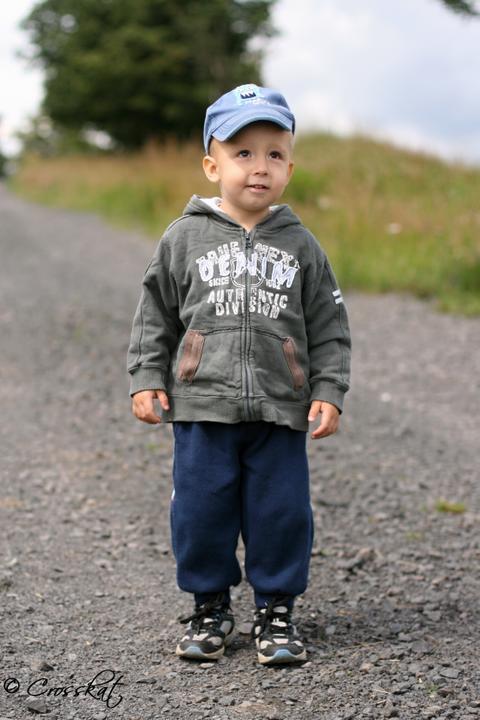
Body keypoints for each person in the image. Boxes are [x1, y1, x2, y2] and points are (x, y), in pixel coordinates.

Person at [127, 83, 351, 665]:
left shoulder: (301, 245)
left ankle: (276, 611)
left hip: (280, 409)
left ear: (290, 168)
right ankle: (210, 608)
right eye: (243, 152)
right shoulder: (184, 237)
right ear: (212, 164)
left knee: (282, 514)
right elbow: (156, 313)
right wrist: (147, 375)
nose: (260, 167)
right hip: (203, 407)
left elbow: (329, 325)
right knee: (201, 511)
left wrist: (328, 388)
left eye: (275, 154)